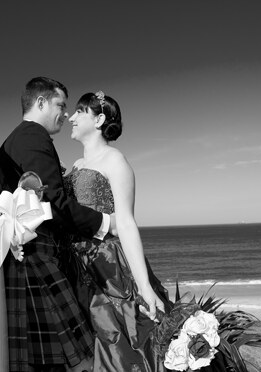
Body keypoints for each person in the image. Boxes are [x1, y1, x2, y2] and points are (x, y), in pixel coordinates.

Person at [0, 77, 117, 372]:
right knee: (78, 360)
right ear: (40, 103)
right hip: (35, 259)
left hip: (26, 257)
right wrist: (106, 223)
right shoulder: (32, 137)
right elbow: (55, 203)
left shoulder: (16, 139)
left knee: (43, 360)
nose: (65, 113)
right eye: (60, 105)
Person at [63, 91, 172, 372]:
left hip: (108, 268)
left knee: (116, 344)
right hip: (76, 265)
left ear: (99, 119)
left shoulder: (115, 161)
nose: (71, 117)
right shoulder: (76, 166)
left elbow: (125, 223)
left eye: (79, 111)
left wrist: (145, 286)